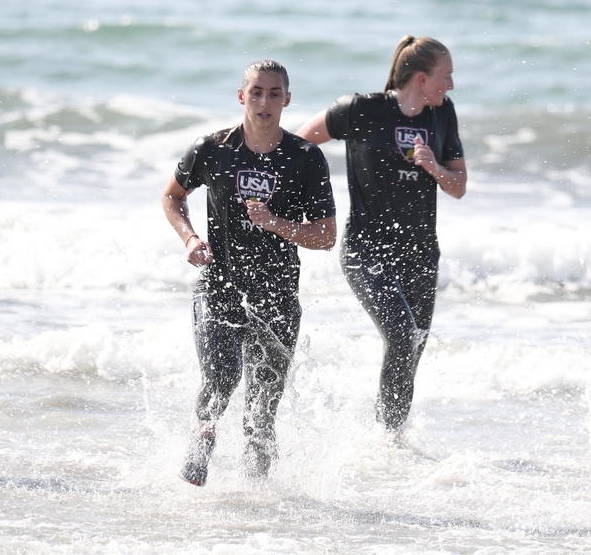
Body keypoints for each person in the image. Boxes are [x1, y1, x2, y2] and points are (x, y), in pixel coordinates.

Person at [162, 60, 336, 486]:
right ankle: (200, 444)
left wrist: (278, 224)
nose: (264, 101)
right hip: (218, 285)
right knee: (220, 381)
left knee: (261, 410)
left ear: (287, 100)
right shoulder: (213, 149)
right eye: (256, 92)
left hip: (276, 293)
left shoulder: (306, 159)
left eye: (274, 93)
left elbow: (327, 235)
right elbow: (171, 196)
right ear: (242, 96)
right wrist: (189, 238)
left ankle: (256, 505)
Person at [296, 35, 467, 433]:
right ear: (421, 78)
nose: (452, 85)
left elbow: (458, 186)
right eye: (447, 76)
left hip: (421, 253)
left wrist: (435, 168)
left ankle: (391, 444)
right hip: (365, 250)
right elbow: (297, 146)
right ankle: (384, 436)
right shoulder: (361, 109)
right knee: (403, 335)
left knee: (411, 348)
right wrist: (308, 202)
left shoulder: (443, 115)